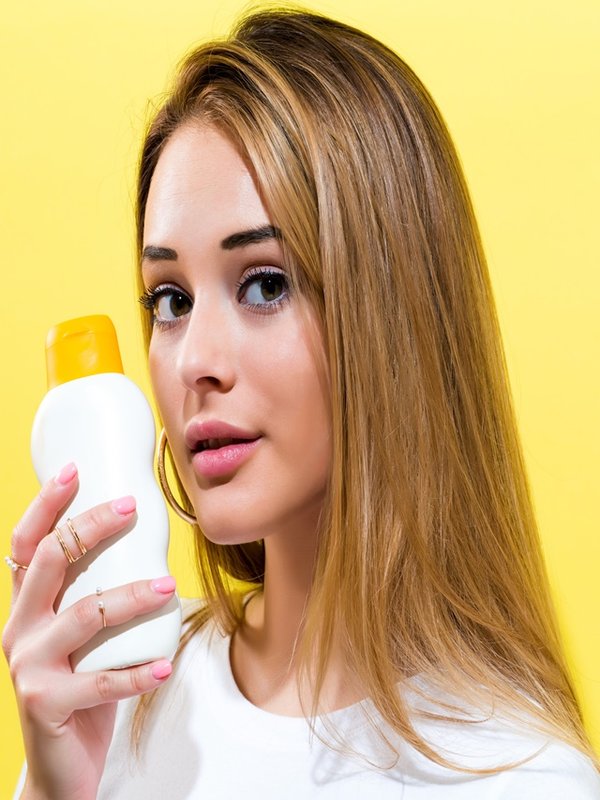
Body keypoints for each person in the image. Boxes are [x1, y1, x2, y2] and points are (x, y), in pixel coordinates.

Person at [4, 7, 599, 799]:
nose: (196, 363)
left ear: (394, 316)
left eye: (265, 284)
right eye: (170, 299)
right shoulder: (120, 705)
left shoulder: (520, 776)